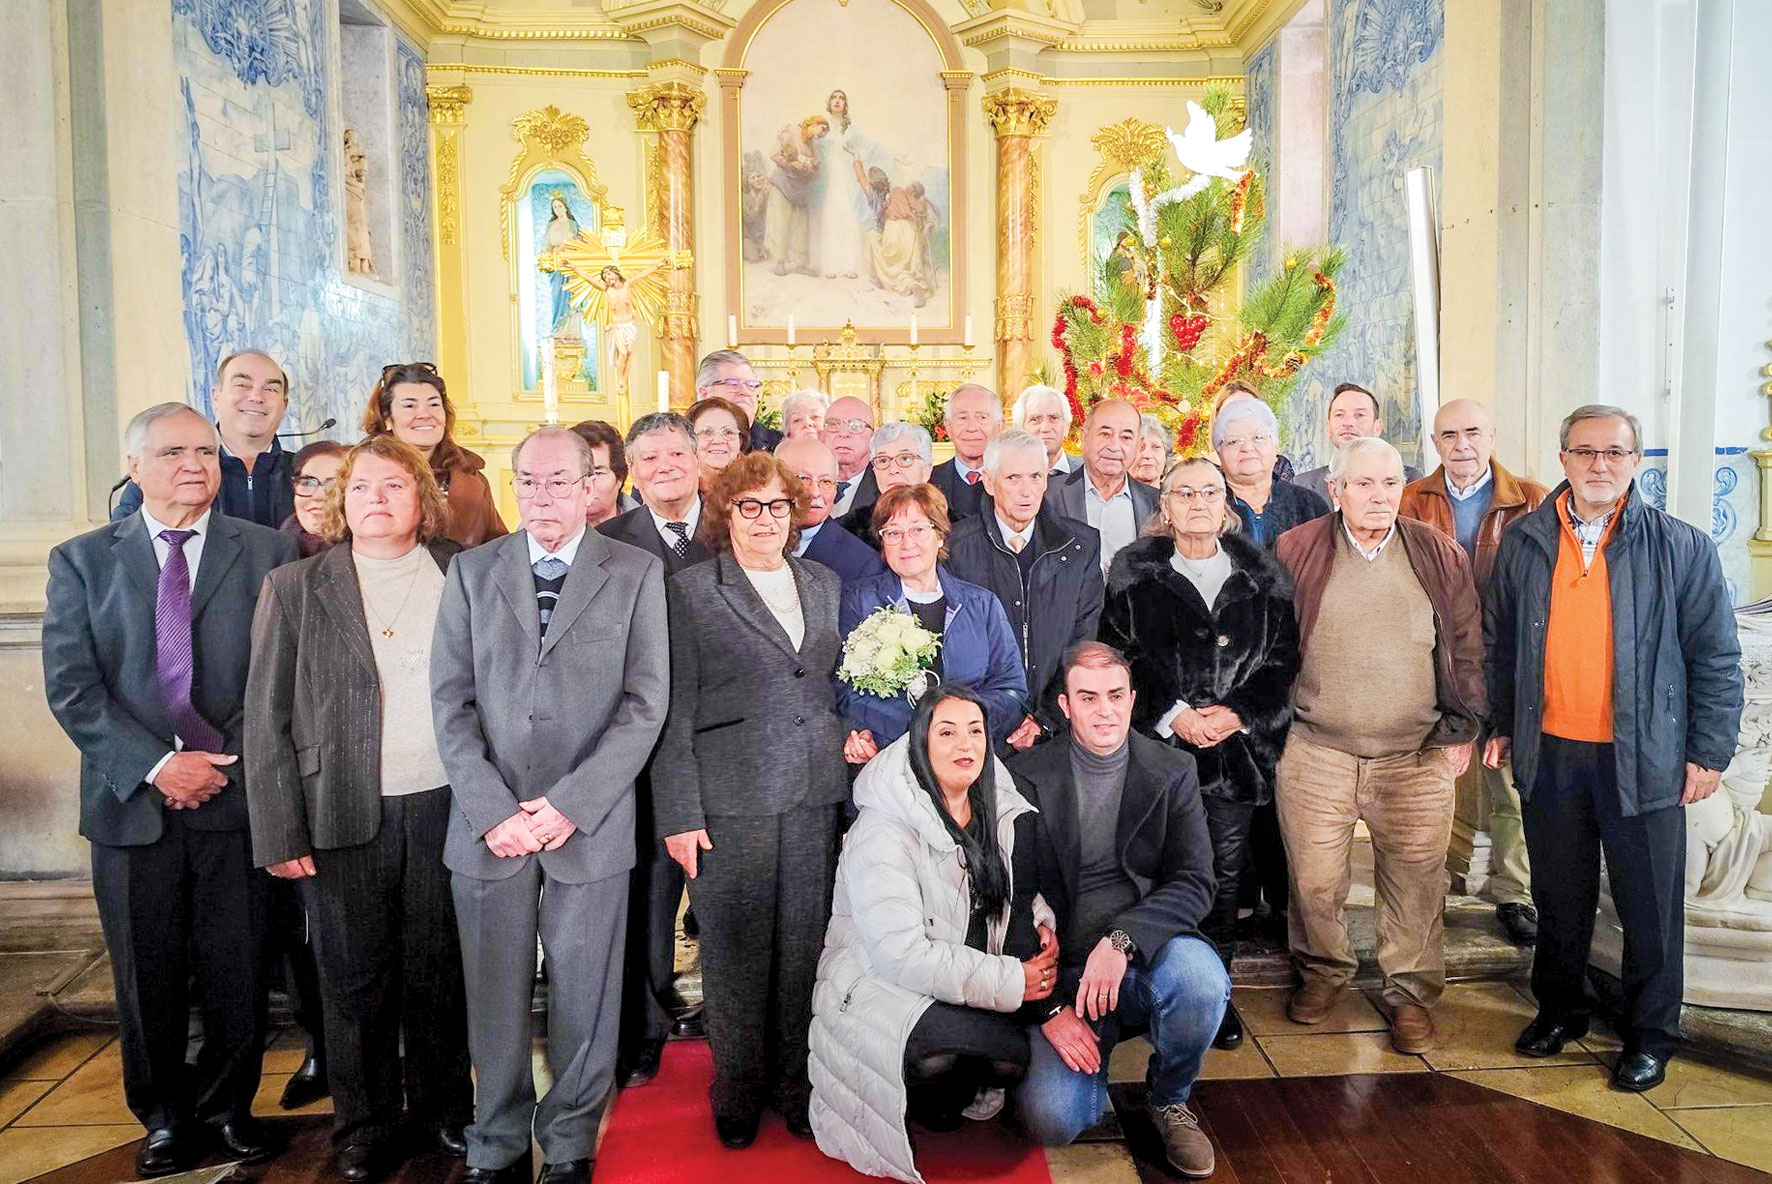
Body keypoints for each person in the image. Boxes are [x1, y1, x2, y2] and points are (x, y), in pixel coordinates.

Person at [43, 403, 299, 1176]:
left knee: (237, 964)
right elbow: (73, 686)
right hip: (131, 805)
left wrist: (213, 760)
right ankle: (162, 1117)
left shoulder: (265, 552)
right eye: (172, 452)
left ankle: (229, 1108)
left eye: (203, 450)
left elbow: (278, 678)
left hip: (234, 796)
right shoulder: (82, 560)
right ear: (135, 466)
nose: (194, 464)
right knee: (146, 970)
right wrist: (160, 765)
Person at [432, 427, 670, 1184]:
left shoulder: (634, 572)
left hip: (588, 827)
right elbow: (449, 701)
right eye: (527, 482)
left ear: (591, 484)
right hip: (488, 830)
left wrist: (571, 804)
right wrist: (491, 808)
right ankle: (496, 1142)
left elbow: (645, 702)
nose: (542, 496)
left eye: (559, 481)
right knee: (494, 997)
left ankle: (569, 1142)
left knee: (585, 997)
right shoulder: (472, 573)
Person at [1486, 405, 1741, 1092]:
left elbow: (1716, 656)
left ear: (1635, 463)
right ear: (1563, 459)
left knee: (1649, 908)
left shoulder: (1681, 546)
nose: (1600, 464)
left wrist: (1709, 752)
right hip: (1552, 753)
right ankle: (1561, 1011)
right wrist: (1503, 724)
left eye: (1615, 453)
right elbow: (1500, 642)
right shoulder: (1525, 540)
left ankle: (1651, 1035)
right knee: (1559, 898)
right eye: (1585, 452)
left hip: (1647, 759)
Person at [244, 435, 472, 1179]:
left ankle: (444, 1111)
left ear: (422, 500)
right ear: (341, 501)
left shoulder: (461, 575)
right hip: (341, 808)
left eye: (395, 485)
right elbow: (267, 716)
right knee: (352, 978)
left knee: (439, 971)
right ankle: (364, 1125)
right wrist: (280, 826)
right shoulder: (297, 586)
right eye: (363, 485)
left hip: (446, 803)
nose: (377, 497)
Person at [652, 453, 849, 1147]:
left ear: (795, 515)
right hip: (728, 797)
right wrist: (678, 813)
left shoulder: (824, 583)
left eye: (777, 506)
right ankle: (735, 1088)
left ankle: (794, 1083)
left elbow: (827, 682)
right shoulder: (693, 591)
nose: (765, 519)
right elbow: (670, 710)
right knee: (736, 954)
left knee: (802, 949)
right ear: (726, 514)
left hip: (814, 791)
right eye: (749, 506)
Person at [1273, 437, 1484, 1055]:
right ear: (1335, 490)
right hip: (1317, 749)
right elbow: (1270, 642)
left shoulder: (1437, 553)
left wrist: (1464, 728)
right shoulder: (1298, 549)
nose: (1378, 497)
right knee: (1314, 881)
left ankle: (1410, 996)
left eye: (1389, 484)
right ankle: (1323, 974)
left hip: (1415, 754)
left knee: (1417, 882)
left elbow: (1468, 647)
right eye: (1362, 484)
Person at [809, 686, 1054, 1183]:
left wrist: (1043, 918)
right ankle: (932, 1098)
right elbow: (899, 954)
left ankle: (952, 1089)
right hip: (880, 985)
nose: (964, 744)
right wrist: (1011, 981)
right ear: (920, 742)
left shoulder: (993, 805)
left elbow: (1010, 890)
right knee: (985, 1054)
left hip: (959, 975)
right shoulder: (884, 828)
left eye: (975, 731)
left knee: (1008, 1061)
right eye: (946, 732)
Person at [1098, 457, 1300, 1053]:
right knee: (1153, 869)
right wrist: (1173, 714)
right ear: (1165, 504)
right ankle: (1149, 988)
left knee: (1222, 877)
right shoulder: (1134, 574)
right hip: (1159, 753)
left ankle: (1214, 991)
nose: (1197, 503)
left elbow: (1283, 661)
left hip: (1235, 756)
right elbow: (1119, 654)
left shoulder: (1264, 576)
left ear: (1225, 501)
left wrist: (1237, 713)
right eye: (1183, 492)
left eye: (1209, 492)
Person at [1008, 643, 1227, 1179]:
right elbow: (1005, 899)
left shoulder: (1172, 770)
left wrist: (1122, 939)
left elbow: (1197, 881)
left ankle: (1168, 1097)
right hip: (1064, 974)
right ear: (1065, 706)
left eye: (1114, 696)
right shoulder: (1021, 774)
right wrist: (1051, 1011)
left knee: (1200, 980)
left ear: (1132, 699)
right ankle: (1092, 1048)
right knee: (1054, 1119)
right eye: (1088, 697)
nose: (1104, 710)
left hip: (1144, 956)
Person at [1397, 398, 1548, 946]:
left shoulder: (1532, 500)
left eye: (1473, 433)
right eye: (1449, 435)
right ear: (1434, 443)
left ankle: (1514, 893)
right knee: (1429, 779)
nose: (1462, 445)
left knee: (1508, 782)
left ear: (1492, 436)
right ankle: (1427, 887)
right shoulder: (1410, 498)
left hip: (1507, 658)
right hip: (1433, 658)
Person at [598, 413, 716, 1085]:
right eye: (650, 456)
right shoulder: (608, 541)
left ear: (699, 461)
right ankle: (643, 1028)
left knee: (723, 896)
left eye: (677, 451)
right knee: (646, 893)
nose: (665, 464)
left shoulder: (733, 531)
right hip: (640, 751)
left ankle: (731, 1020)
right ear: (631, 471)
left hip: (721, 745)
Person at [837, 484, 1027, 759]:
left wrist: (956, 723)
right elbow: (845, 689)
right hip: (891, 754)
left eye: (918, 530)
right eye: (893, 533)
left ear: (939, 536)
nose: (907, 543)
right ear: (882, 543)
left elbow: (1010, 687)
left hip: (969, 756)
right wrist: (915, 728)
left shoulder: (981, 604)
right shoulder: (859, 601)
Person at [947, 430, 1102, 748]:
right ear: (989, 483)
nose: (1026, 491)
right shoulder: (955, 548)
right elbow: (954, 649)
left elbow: (1083, 640)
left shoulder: (1081, 545)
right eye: (1013, 478)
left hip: (1059, 726)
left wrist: (1045, 719)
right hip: (981, 732)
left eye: (1035, 476)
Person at [113, 349, 297, 529]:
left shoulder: (305, 474)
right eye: (242, 385)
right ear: (216, 396)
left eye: (271, 389)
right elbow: (124, 546)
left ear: (284, 405)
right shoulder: (171, 473)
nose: (256, 397)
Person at [362, 362, 508, 548]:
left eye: (433, 404)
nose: (425, 414)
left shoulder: (471, 475)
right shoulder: (362, 474)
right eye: (409, 406)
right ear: (387, 418)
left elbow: (497, 548)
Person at [1046, 399, 1159, 574]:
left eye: (1126, 437)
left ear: (1138, 445)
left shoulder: (1156, 503)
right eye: (1105, 434)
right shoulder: (1047, 495)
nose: (1114, 447)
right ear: (1084, 437)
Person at [1217, 396, 1327, 550]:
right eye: (1234, 441)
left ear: (1275, 447)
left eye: (1258, 437)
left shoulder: (1309, 504)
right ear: (1219, 452)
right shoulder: (1208, 505)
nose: (1247, 448)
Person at [777, 435, 887, 587]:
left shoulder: (862, 564)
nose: (815, 492)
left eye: (826, 482)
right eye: (802, 479)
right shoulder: (747, 541)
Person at [1293, 383, 1421, 500]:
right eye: (1339, 415)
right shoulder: (1302, 484)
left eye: (1359, 415)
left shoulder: (1408, 480)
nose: (1348, 423)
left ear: (1378, 427)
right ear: (1328, 428)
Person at [841, 422, 939, 545]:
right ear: (874, 471)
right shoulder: (850, 530)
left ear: (926, 469)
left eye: (905, 458)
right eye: (883, 460)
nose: (893, 470)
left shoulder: (954, 525)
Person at [767, 116, 830, 278]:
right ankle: (779, 262)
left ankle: (801, 263)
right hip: (783, 185)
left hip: (800, 190)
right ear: (813, 124)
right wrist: (791, 165)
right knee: (781, 222)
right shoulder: (790, 132)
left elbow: (816, 168)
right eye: (823, 129)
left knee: (802, 225)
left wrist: (811, 167)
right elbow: (774, 154)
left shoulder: (812, 146)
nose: (823, 134)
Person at [929, 383, 1002, 519]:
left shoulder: (1015, 480)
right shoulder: (929, 480)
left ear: (999, 426)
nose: (972, 428)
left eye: (982, 417)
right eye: (962, 418)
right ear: (948, 428)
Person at [696, 349, 779, 452]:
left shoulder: (779, 445)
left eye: (751, 385)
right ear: (704, 393)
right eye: (732, 384)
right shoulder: (685, 443)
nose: (744, 391)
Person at [283, 440, 348, 558]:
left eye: (334, 485)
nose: (319, 496)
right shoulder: (269, 554)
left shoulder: (375, 555)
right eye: (308, 483)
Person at [567, 419, 633, 527]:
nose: (587, 484)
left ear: (619, 478)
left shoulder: (649, 528)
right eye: (578, 472)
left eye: (597, 473)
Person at [822, 395, 877, 519]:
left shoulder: (883, 488)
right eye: (833, 424)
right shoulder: (804, 484)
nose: (843, 434)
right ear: (822, 435)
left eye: (856, 426)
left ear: (873, 437)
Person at [687, 396, 751, 492]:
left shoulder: (756, 489)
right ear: (689, 440)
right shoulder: (677, 489)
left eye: (728, 432)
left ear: (741, 442)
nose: (718, 440)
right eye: (707, 432)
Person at [1012, 384, 1076, 476]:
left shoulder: (1087, 473)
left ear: (1066, 427)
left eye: (1053, 418)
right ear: (1020, 429)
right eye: (1035, 419)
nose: (1045, 428)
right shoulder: (1005, 475)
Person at [1132, 415, 1171, 486]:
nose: (1147, 455)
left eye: (1156, 447)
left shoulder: (1175, 496)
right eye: (1140, 447)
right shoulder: (1109, 496)